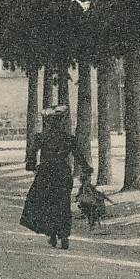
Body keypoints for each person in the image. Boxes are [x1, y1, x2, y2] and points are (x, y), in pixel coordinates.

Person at [20, 106, 91, 250]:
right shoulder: (69, 138)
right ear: (62, 123)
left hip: (45, 174)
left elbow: (31, 157)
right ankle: (64, 235)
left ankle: (52, 234)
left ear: (48, 122)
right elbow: (79, 157)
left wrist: (32, 166)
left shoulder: (41, 137)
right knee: (63, 205)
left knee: (46, 204)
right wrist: (86, 169)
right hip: (63, 174)